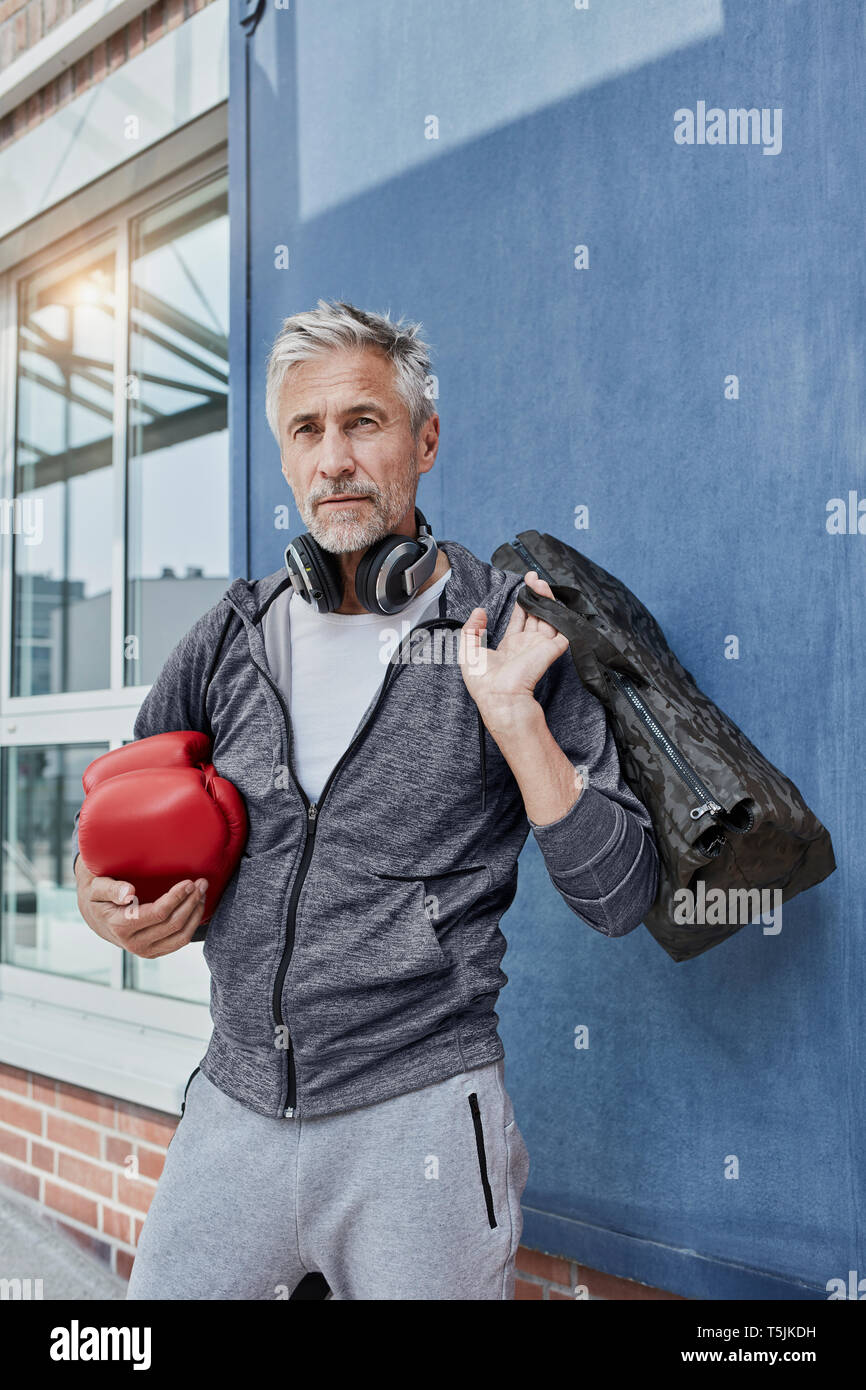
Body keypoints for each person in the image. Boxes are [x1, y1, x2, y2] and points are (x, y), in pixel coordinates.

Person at [73, 299, 659, 1300]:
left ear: (424, 438)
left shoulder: (506, 626)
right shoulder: (229, 634)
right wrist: (97, 896)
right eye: (307, 430)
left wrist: (516, 723)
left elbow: (619, 894)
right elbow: (115, 805)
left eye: (363, 422)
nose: (334, 457)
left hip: (420, 1117)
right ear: (286, 456)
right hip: (236, 1102)